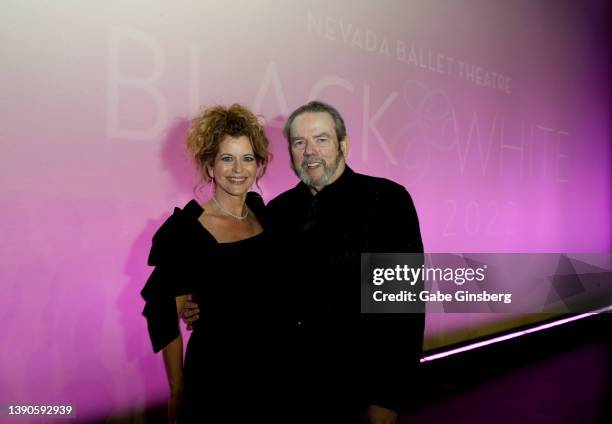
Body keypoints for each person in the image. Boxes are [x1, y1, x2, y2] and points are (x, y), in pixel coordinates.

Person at [183, 101, 425, 423]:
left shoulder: (387, 200)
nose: (310, 151)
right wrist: (204, 305)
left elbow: (403, 307)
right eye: (300, 143)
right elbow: (257, 288)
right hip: (283, 393)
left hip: (357, 393)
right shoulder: (278, 211)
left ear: (344, 145)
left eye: (321, 139)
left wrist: (386, 398)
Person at [140, 104, 273, 423]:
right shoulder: (186, 231)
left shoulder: (263, 213)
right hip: (217, 377)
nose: (238, 169)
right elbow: (165, 315)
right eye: (227, 158)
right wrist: (178, 391)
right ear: (210, 166)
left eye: (247, 158)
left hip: (269, 373)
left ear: (257, 165)